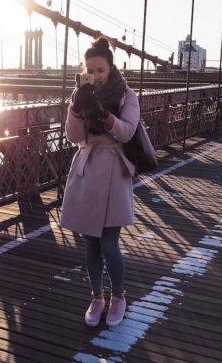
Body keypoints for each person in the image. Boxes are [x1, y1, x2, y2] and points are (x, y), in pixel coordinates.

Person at [60, 36, 140, 328]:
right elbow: (73, 136)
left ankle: (118, 296)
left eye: (100, 71)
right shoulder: (79, 93)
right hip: (88, 168)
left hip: (114, 172)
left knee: (109, 245)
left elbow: (128, 132)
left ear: (111, 67)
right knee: (91, 245)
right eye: (90, 71)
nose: (95, 77)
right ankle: (97, 297)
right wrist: (76, 109)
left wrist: (105, 115)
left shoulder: (127, 96)